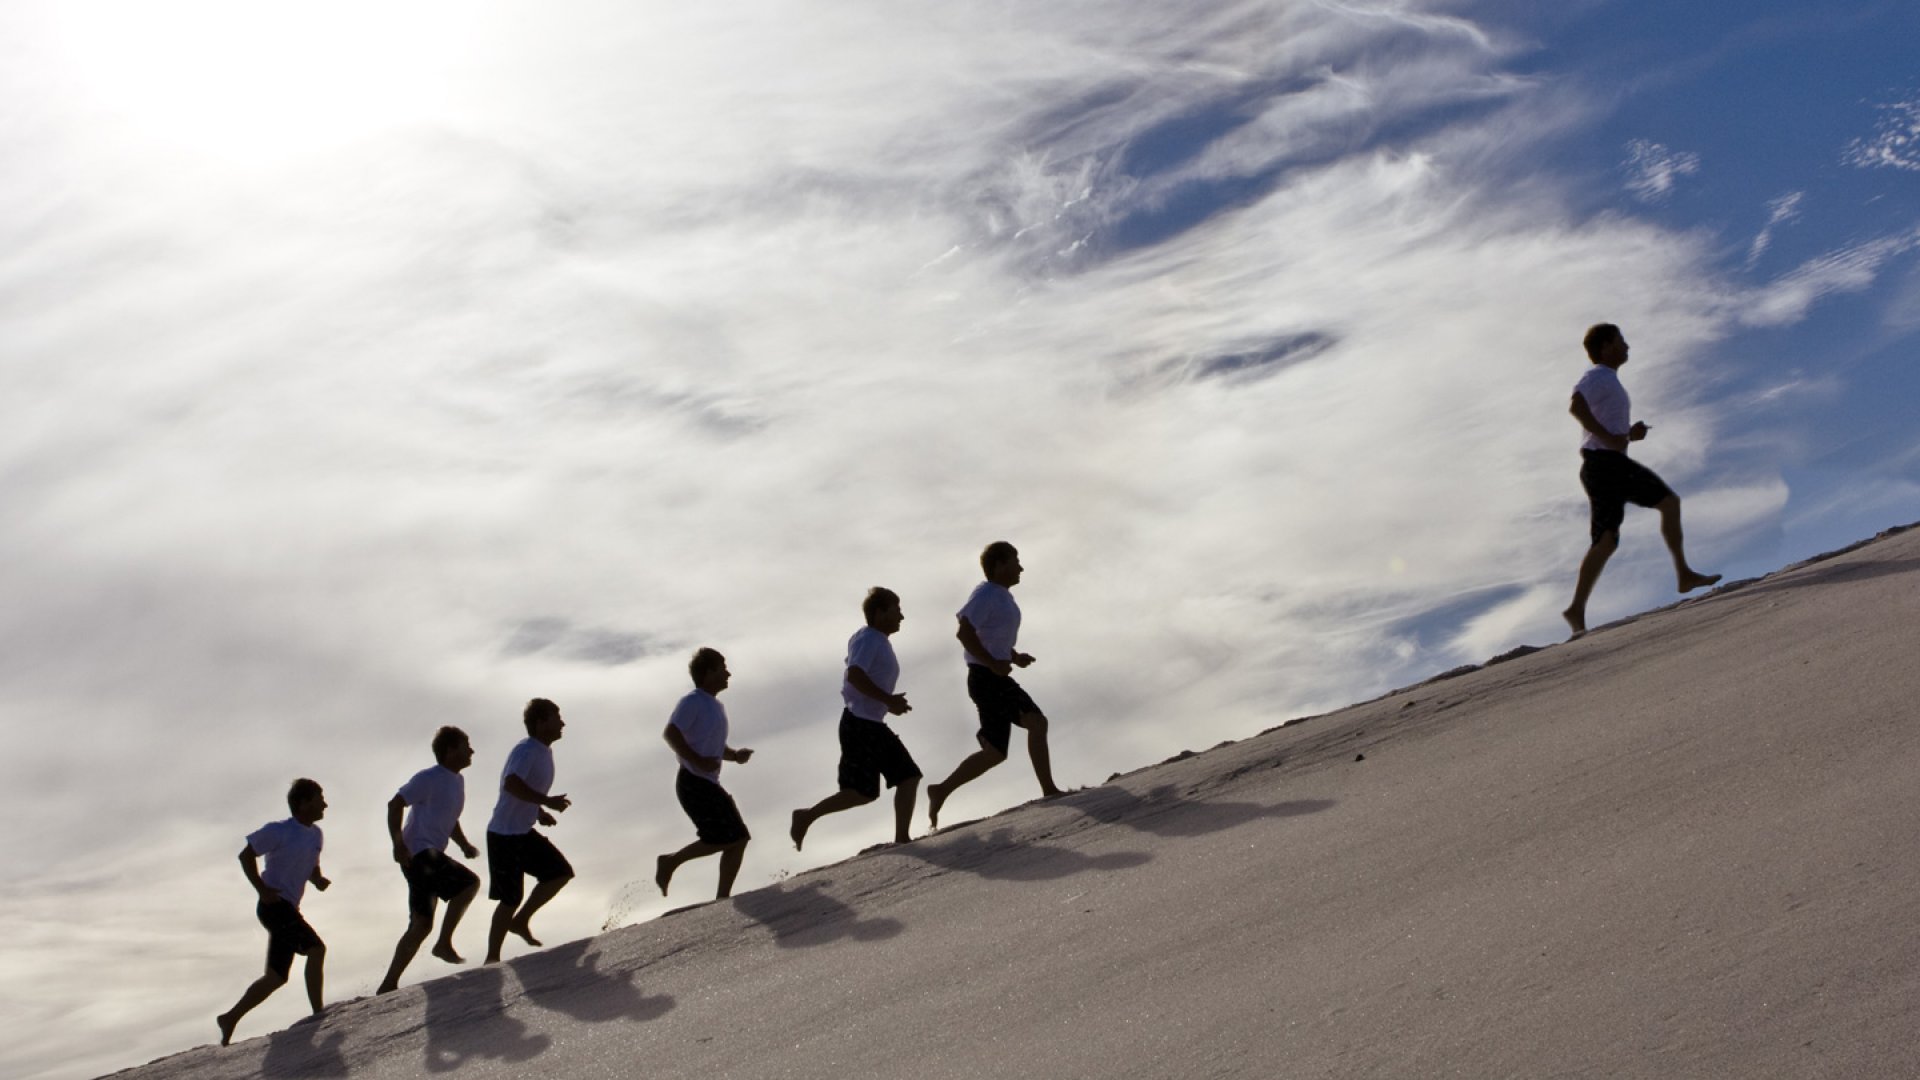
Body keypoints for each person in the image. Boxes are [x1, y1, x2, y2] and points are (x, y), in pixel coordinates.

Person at [1563, 323, 1721, 637]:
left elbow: (1608, 435)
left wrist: (1627, 436)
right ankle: (1684, 575)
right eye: (1621, 341)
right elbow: (1576, 406)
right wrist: (1610, 437)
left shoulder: (1609, 381)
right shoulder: (1597, 376)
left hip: (1605, 463)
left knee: (1606, 541)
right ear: (1607, 346)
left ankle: (1576, 609)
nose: (1627, 346)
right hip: (1603, 464)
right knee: (1669, 503)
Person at [927, 541, 1065, 830]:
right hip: (985, 677)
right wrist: (992, 663)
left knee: (995, 753)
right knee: (1037, 722)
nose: (1021, 567)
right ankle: (1049, 789)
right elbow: (964, 632)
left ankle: (940, 789)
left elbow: (990, 635)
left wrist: (1013, 656)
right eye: (1015, 561)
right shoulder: (987, 593)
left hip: (990, 676)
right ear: (999, 565)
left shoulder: (1003, 597)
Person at [791, 587, 921, 851]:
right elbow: (855, 676)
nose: (902, 617)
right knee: (907, 776)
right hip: (860, 724)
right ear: (879, 612)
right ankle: (902, 840)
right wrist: (888, 700)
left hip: (864, 722)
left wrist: (889, 702)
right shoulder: (869, 638)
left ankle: (806, 816)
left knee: (864, 792)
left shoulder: (876, 640)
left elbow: (862, 680)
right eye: (896, 611)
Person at [216, 779, 331, 1047]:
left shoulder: (316, 835)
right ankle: (319, 1014)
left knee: (276, 977)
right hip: (274, 905)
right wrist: (261, 889)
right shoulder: (278, 831)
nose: (324, 803)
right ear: (303, 803)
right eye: (319, 798)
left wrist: (318, 879)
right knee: (316, 949)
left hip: (288, 908)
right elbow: (246, 855)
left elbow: (312, 865)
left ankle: (230, 1017)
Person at [376, 726, 483, 994]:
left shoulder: (457, 782)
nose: (471, 750)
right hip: (419, 852)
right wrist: (398, 844)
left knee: (421, 924)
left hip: (425, 855)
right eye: (465, 745)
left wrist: (464, 844)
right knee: (469, 883)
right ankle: (444, 943)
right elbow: (395, 804)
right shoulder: (428, 778)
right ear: (449, 750)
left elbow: (450, 818)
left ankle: (388, 984)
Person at [657, 647, 755, 899]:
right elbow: (671, 733)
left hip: (704, 781)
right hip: (693, 782)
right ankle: (671, 862)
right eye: (722, 668)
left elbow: (710, 745)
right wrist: (697, 761)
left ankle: (722, 895)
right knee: (729, 838)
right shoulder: (693, 701)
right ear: (708, 672)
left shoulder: (714, 706)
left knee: (737, 838)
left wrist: (734, 756)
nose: (728, 673)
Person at [483, 699, 573, 964]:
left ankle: (520, 921)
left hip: (521, 832)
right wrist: (546, 802)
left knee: (559, 873)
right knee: (510, 898)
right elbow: (511, 784)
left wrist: (538, 812)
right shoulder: (527, 750)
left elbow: (521, 788)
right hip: (503, 835)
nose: (562, 723)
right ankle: (492, 959)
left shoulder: (542, 751)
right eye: (557, 717)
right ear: (541, 722)